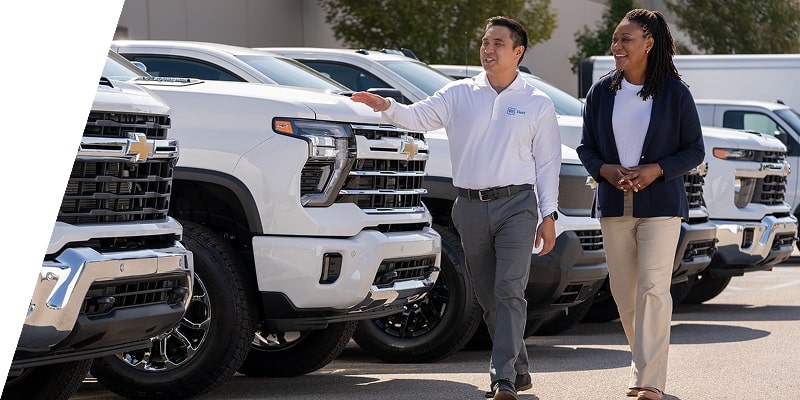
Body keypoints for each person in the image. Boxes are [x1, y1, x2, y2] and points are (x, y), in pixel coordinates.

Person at [350, 16, 561, 400]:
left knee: (509, 289)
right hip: (470, 207)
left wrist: (549, 215)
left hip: (518, 205)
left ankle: (503, 379)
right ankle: (520, 369)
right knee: (487, 295)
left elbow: (547, 163)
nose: (488, 49)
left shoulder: (537, 103)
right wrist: (387, 106)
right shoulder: (458, 93)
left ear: (518, 51)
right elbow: (417, 117)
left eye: (498, 43)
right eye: (484, 41)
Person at [576, 8, 705, 400]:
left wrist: (657, 170)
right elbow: (586, 148)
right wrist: (606, 171)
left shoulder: (675, 93)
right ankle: (643, 364)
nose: (617, 46)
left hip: (661, 205)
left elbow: (694, 150)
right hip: (614, 204)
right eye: (615, 39)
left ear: (649, 43)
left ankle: (650, 381)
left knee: (653, 289)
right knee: (624, 293)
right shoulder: (601, 91)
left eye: (625, 39)